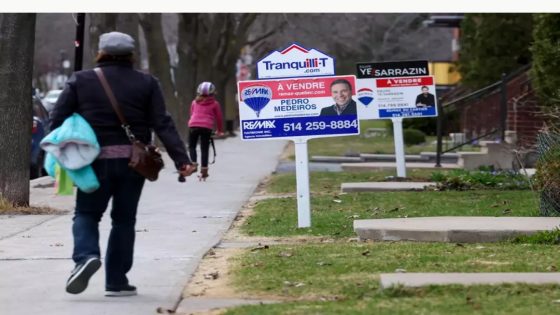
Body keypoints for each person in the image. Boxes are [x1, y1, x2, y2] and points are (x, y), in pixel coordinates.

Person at [49, 31, 197, 297]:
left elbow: (56, 120)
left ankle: (86, 257)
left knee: (86, 214)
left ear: (101, 52)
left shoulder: (81, 80)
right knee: (124, 220)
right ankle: (116, 282)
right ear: (131, 55)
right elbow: (162, 122)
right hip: (134, 163)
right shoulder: (146, 82)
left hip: (92, 163)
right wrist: (182, 159)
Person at [187, 82, 224, 181]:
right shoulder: (215, 104)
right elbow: (219, 118)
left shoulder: (194, 102)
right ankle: (204, 170)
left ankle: (193, 163)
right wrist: (219, 131)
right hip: (206, 127)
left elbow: (192, 113)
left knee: (192, 146)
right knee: (204, 149)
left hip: (193, 125)